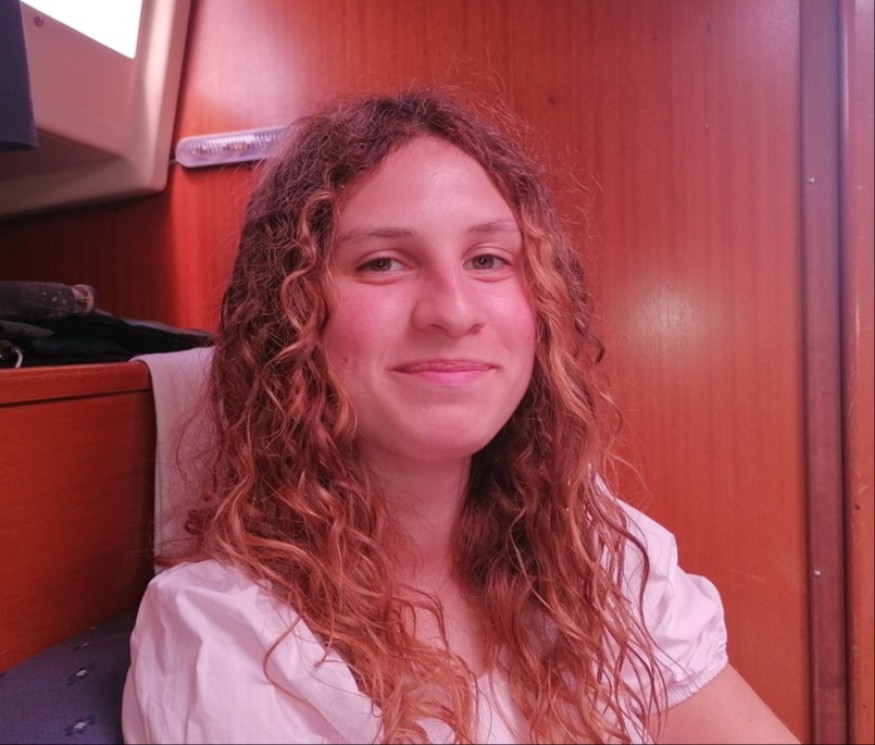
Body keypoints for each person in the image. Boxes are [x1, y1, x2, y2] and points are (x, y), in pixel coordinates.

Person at [121, 88, 800, 744]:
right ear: (291, 320)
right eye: (383, 263)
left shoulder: (601, 554)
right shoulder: (227, 630)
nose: (453, 310)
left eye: (487, 259)